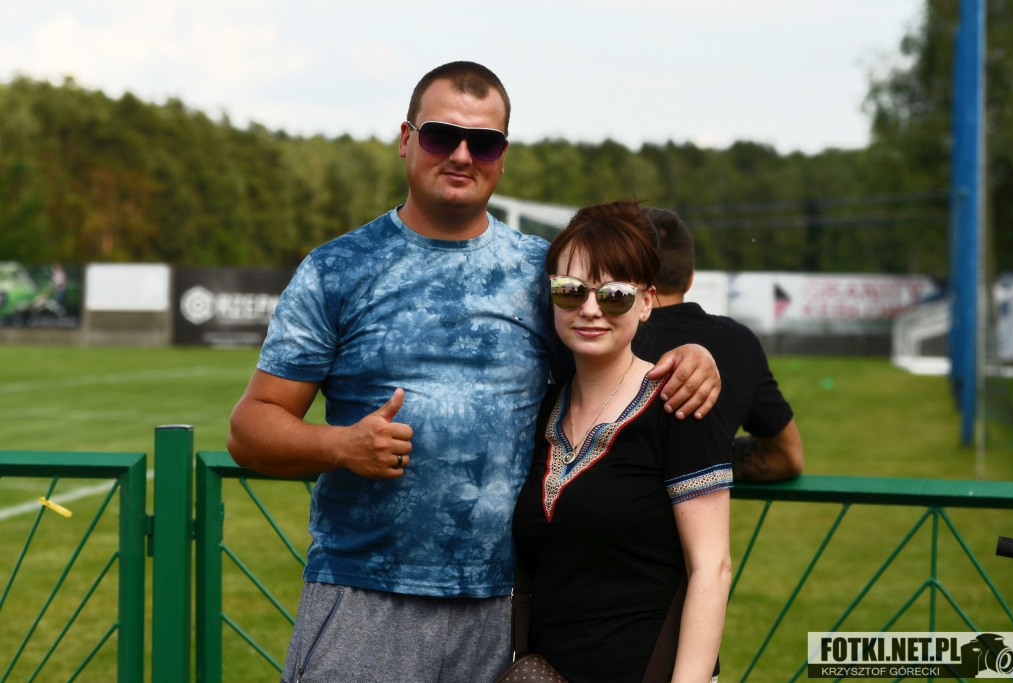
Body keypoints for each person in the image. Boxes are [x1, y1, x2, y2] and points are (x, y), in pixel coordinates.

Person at [227, 62, 722, 683]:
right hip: (362, 593)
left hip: (498, 610)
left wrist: (697, 355)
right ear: (406, 139)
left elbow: (614, 344)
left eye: (483, 142)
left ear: (502, 157)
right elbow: (249, 428)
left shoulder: (540, 272)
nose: (462, 154)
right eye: (441, 135)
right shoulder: (337, 269)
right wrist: (340, 446)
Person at [513, 201, 732, 683]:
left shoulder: (678, 405)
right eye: (570, 291)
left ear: (647, 301)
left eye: (614, 294)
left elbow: (711, 568)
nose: (590, 309)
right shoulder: (539, 411)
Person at [633, 208, 804, 482]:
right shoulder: (738, 342)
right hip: (700, 509)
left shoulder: (597, 337)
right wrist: (709, 459)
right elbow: (787, 457)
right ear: (690, 279)